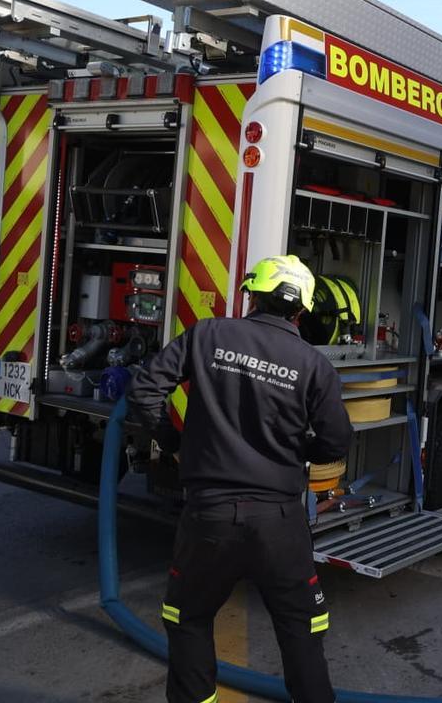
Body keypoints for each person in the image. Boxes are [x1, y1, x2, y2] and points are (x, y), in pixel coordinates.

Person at [126, 255, 354, 703]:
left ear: (253, 296)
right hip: (280, 523)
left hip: (208, 518)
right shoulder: (313, 365)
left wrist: (173, 441)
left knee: (189, 618)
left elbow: (143, 391)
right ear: (301, 311)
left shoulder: (207, 335)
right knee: (301, 631)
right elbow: (335, 443)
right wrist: (294, 451)